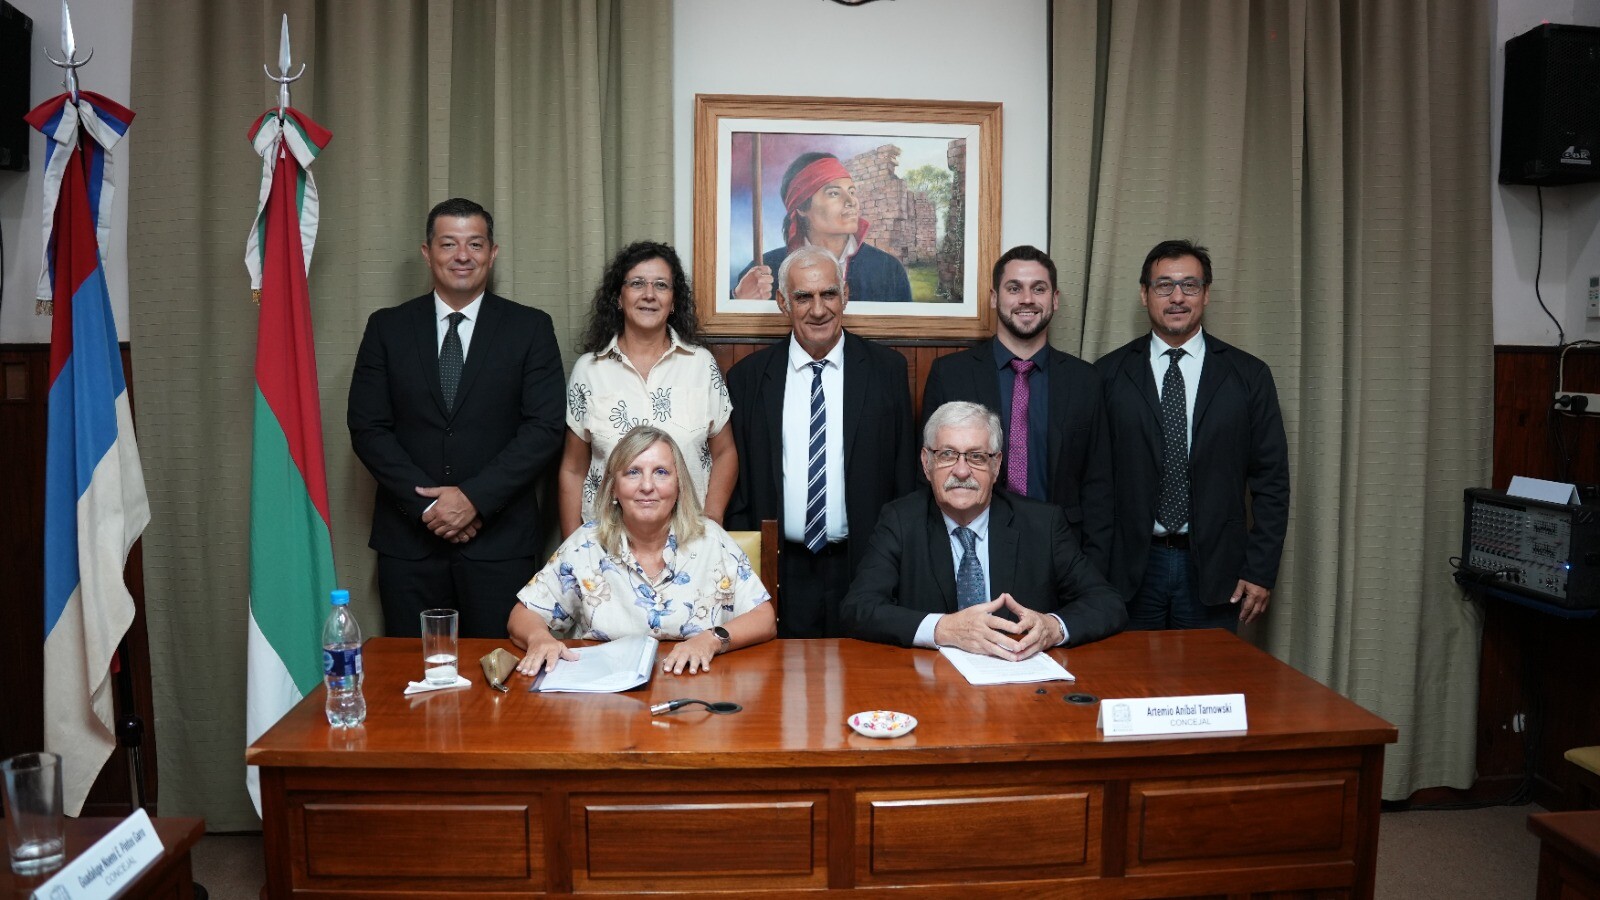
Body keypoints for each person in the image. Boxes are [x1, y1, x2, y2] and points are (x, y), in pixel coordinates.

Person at [348, 197, 565, 639]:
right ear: (427, 252)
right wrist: (430, 507)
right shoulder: (387, 328)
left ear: (493, 252)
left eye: (475, 244)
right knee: (413, 681)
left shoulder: (530, 328)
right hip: (410, 544)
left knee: (503, 680)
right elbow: (368, 428)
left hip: (500, 544)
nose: (462, 256)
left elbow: (543, 428)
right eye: (449, 244)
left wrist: (473, 500)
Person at [1095, 239, 1290, 631]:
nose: (1177, 297)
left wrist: (1261, 570)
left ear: (1206, 294)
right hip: (1130, 569)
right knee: (1129, 686)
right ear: (1144, 294)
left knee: (1207, 688)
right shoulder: (1106, 375)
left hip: (1217, 571)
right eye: (1164, 285)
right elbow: (1092, 483)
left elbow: (1272, 481)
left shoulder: (1248, 376)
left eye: (1190, 285)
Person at [725, 246, 916, 638]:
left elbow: (905, 477)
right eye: (803, 297)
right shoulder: (748, 379)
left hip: (865, 564)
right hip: (777, 568)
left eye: (828, 294)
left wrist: (898, 564)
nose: (818, 309)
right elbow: (740, 490)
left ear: (845, 294)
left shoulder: (887, 371)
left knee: (861, 682)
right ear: (782, 303)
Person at [841, 401, 1126, 656]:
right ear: (927, 464)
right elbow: (859, 608)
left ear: (996, 465)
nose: (962, 471)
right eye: (948, 454)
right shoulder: (900, 521)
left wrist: (1053, 627)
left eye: (976, 457)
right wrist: (943, 628)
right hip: (929, 686)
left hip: (1020, 687)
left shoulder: (1042, 524)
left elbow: (1107, 603)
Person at [511, 427, 776, 676]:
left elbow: (764, 618)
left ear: (678, 485)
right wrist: (540, 639)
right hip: (605, 691)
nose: (647, 486)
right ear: (615, 486)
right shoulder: (585, 544)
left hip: (699, 685)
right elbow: (523, 615)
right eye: (633, 472)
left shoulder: (710, 538)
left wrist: (711, 640)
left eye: (661, 472)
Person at [919, 245, 1112, 569]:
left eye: (1039, 288)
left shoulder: (1085, 380)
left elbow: (1100, 485)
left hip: (1063, 555)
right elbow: (929, 474)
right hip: (970, 552)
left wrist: (1093, 569)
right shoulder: (950, 375)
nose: (1026, 299)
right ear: (995, 297)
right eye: (1014, 288)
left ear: (1055, 299)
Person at [558, 241, 735, 537]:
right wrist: (572, 546)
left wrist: (712, 521)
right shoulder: (589, 370)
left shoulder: (701, 365)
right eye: (637, 283)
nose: (649, 295)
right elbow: (573, 469)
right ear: (619, 296)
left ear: (674, 300)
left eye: (661, 285)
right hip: (605, 541)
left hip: (688, 539)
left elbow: (726, 453)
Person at [732, 151, 912, 302]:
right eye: (834, 193)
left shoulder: (887, 269)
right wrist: (739, 300)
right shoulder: (764, 272)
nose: (852, 202)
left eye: (851, 192)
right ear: (802, 207)